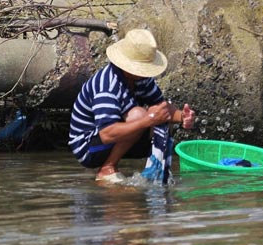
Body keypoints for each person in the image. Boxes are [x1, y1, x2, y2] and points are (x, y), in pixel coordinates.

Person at [69, 28, 196, 181]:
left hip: (114, 137)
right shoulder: (107, 87)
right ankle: (107, 169)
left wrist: (182, 117)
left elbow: (162, 108)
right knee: (140, 114)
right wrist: (148, 120)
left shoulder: (140, 78)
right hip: (88, 147)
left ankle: (155, 170)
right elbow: (107, 133)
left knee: (159, 117)